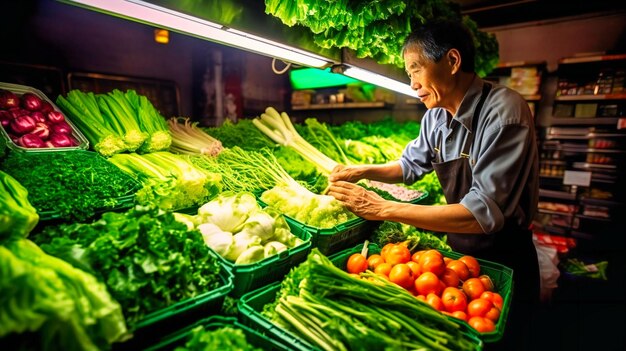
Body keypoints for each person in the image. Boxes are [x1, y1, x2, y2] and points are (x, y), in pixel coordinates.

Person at [327, 19, 540, 350]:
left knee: (506, 340)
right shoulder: (436, 117)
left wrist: (382, 208)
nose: (411, 84)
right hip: (457, 258)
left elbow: (481, 215)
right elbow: (410, 165)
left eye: (415, 70)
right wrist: (361, 170)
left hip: (505, 257)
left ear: (452, 62)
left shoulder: (504, 112)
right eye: (408, 74)